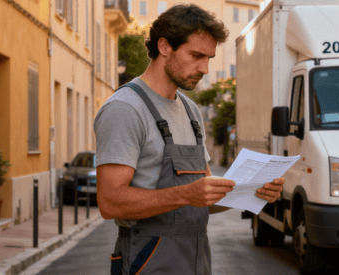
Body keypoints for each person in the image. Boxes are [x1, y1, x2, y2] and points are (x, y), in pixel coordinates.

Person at [93, 4, 284, 275]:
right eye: (196, 55)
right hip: (147, 260)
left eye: (209, 58)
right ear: (164, 46)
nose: (205, 68)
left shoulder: (191, 111)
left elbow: (202, 195)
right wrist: (185, 194)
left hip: (196, 259)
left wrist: (250, 191)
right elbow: (110, 202)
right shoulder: (125, 109)